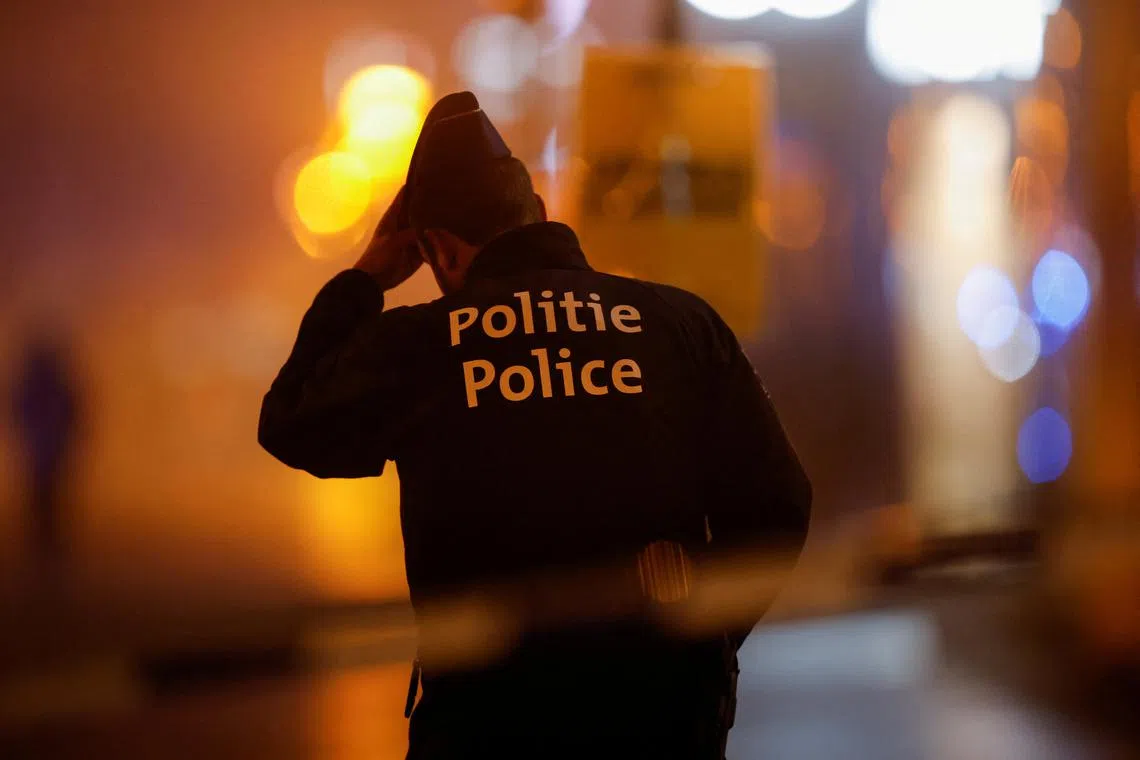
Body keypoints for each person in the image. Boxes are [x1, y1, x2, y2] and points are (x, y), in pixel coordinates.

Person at [259, 93, 811, 758]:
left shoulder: (421, 345)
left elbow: (292, 421)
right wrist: (703, 647)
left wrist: (366, 278)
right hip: (664, 722)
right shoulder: (678, 323)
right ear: (540, 215)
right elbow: (778, 504)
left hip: (485, 723)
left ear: (434, 248)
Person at [12, 327, 82, 587]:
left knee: (44, 497)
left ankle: (44, 544)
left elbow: (18, 410)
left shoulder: (35, 383)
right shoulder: (56, 383)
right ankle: (46, 545)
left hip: (43, 450)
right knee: (47, 498)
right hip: (48, 450)